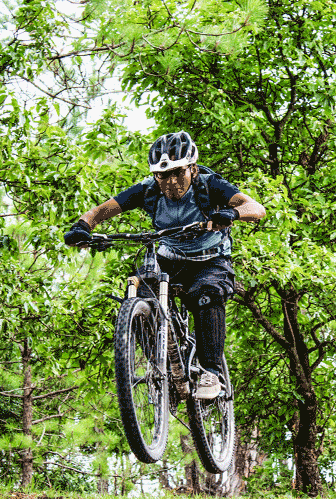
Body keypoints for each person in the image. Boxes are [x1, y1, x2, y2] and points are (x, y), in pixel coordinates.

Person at [64, 131, 266, 399]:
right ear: (155, 175)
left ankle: (211, 372)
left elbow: (256, 208)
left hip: (211, 260)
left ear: (192, 169)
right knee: (138, 299)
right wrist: (82, 226)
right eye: (163, 175)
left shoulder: (210, 185)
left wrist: (232, 212)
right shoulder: (147, 191)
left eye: (178, 173)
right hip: (170, 259)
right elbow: (101, 211)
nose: (171, 182)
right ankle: (165, 364)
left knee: (207, 294)